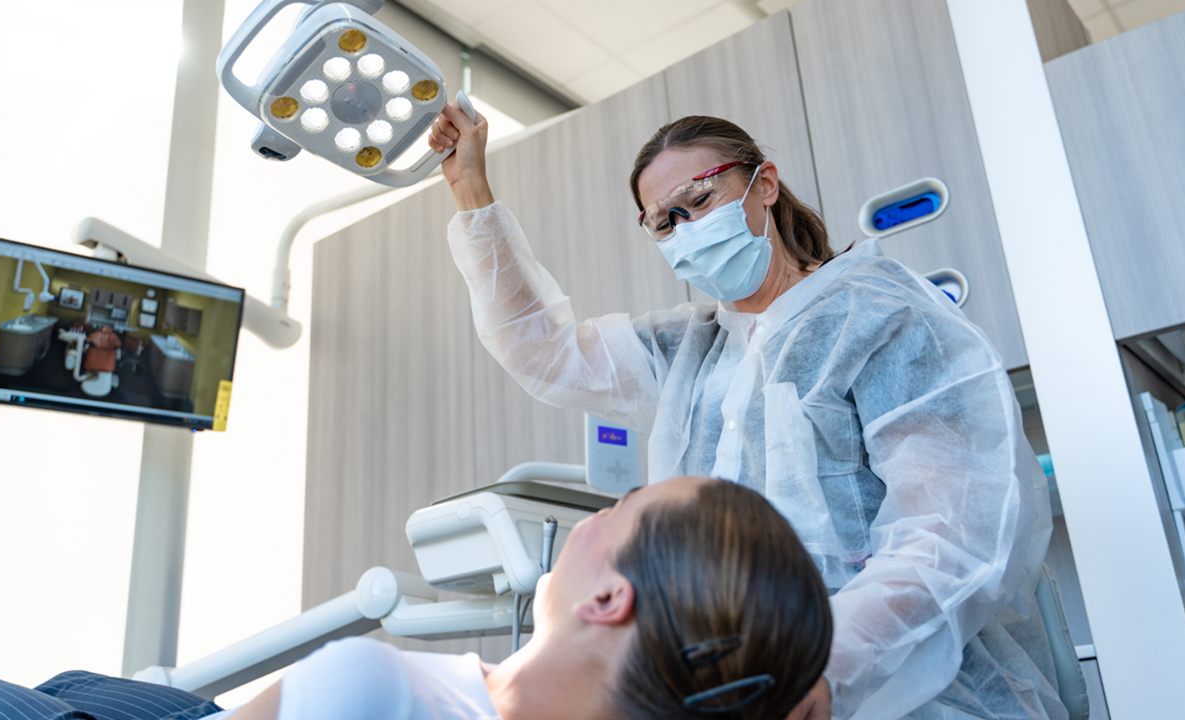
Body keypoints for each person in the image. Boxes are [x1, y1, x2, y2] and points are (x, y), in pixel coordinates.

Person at [426, 104, 1064, 720]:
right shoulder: (691, 349)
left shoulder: (881, 317)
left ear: (764, 184)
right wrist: (471, 187)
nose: (685, 231)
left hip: (910, 693)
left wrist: (819, 671)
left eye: (698, 201)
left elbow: (952, 533)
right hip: (741, 694)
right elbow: (544, 351)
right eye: (664, 222)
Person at [0, 477, 833, 720]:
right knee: (72, 682)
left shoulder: (370, 690)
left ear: (609, 597)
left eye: (613, 514)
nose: (589, 522)